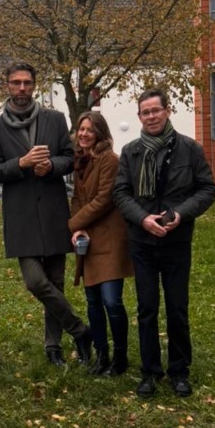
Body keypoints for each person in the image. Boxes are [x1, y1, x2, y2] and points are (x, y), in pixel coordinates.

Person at [113, 88, 215, 400]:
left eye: (156, 110)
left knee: (176, 307)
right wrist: (143, 218)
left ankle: (179, 371)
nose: (151, 116)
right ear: (140, 117)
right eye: (145, 112)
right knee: (146, 308)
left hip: (176, 240)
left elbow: (207, 189)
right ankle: (150, 372)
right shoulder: (130, 152)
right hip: (142, 242)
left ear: (167, 111)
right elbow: (120, 193)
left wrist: (181, 215)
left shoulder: (190, 150)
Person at [0, 62, 94, 367]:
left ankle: (53, 346)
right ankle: (80, 329)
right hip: (20, 216)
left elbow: (69, 158)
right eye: (16, 83)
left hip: (52, 209)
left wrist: (52, 167)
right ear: (6, 85)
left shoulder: (55, 119)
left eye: (27, 83)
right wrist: (21, 163)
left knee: (56, 281)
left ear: (35, 85)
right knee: (36, 281)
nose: (22, 88)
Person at [68, 110, 134, 377]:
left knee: (111, 301)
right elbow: (78, 199)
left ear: (100, 133)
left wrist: (72, 224)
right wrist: (78, 226)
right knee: (93, 301)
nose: (84, 134)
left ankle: (120, 357)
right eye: (81, 129)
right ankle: (101, 354)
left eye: (89, 129)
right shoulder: (81, 161)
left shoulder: (110, 160)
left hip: (109, 238)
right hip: (88, 239)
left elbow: (104, 199)